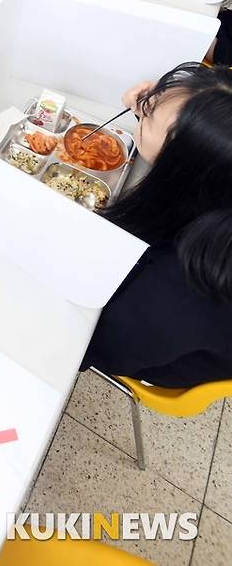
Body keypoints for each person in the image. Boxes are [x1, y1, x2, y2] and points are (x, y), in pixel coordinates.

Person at [81, 63, 232, 387]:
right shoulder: (214, 184)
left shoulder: (176, 294)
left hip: (160, 359)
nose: (144, 103)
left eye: (148, 115)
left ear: (182, 162)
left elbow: (85, 347)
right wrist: (162, 108)